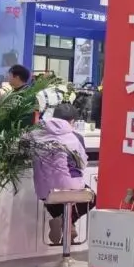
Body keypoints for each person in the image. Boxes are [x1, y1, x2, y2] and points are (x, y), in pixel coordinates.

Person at [30, 103, 92, 246]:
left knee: (53, 196)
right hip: (70, 187)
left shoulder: (36, 134)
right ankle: (68, 221)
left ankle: (62, 220)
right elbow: (82, 163)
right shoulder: (76, 137)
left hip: (44, 190)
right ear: (72, 121)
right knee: (91, 197)